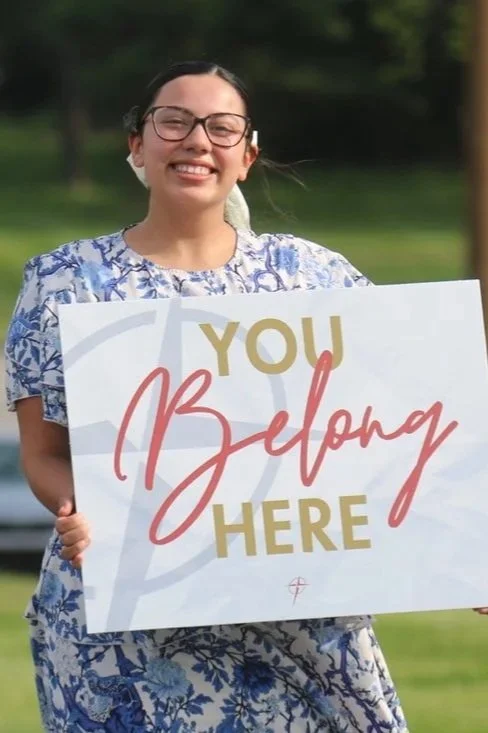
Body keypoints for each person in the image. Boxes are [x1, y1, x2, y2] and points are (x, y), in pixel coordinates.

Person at [8, 58, 467, 733]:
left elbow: (415, 429)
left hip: (299, 623)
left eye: (222, 128)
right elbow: (45, 452)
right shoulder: (65, 282)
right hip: (125, 630)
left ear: (247, 156)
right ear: (136, 144)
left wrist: (466, 545)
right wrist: (78, 512)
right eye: (175, 121)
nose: (198, 140)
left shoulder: (316, 279)